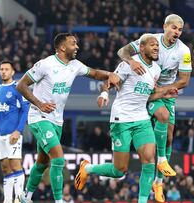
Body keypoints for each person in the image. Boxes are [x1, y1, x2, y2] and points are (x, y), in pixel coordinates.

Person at [74, 34, 178, 203]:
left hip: (142, 120)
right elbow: (110, 80)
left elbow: (148, 95)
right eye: (152, 45)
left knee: (149, 160)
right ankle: (88, 168)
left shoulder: (156, 70)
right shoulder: (128, 65)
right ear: (142, 48)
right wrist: (104, 93)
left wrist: (165, 92)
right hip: (121, 120)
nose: (156, 48)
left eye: (157, 46)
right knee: (119, 170)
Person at [16, 33, 117, 203]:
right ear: (62, 47)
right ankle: (59, 200)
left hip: (57, 120)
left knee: (42, 162)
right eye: (73, 44)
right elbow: (21, 85)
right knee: (59, 158)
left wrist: (113, 74)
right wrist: (40, 104)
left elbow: (95, 73)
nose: (77, 47)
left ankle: (26, 196)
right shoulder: (45, 65)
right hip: (39, 117)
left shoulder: (75, 65)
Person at [117, 14, 192, 202]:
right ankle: (161, 160)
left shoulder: (184, 51)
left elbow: (184, 80)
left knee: (169, 137)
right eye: (174, 28)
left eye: (180, 30)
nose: (177, 32)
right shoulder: (151, 40)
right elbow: (122, 51)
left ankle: (158, 182)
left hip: (166, 91)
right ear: (164, 26)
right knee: (163, 115)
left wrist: (164, 89)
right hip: (148, 92)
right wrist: (131, 61)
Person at [0, 61, 30, 202]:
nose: (3, 71)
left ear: (12, 72)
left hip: (13, 134)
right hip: (0, 135)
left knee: (16, 165)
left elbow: (25, 110)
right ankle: (8, 199)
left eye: (6, 69)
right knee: (5, 168)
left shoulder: (18, 87)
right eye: (1, 69)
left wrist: (18, 131)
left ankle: (19, 197)